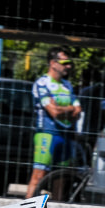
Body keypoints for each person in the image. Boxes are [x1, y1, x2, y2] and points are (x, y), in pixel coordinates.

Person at [26, 46, 82, 199]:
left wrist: (63, 108)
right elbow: (54, 112)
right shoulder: (41, 83)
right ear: (53, 63)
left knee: (60, 180)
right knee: (38, 176)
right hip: (47, 134)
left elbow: (78, 111)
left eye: (70, 63)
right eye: (65, 62)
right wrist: (69, 109)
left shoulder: (67, 85)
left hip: (65, 135)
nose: (68, 66)